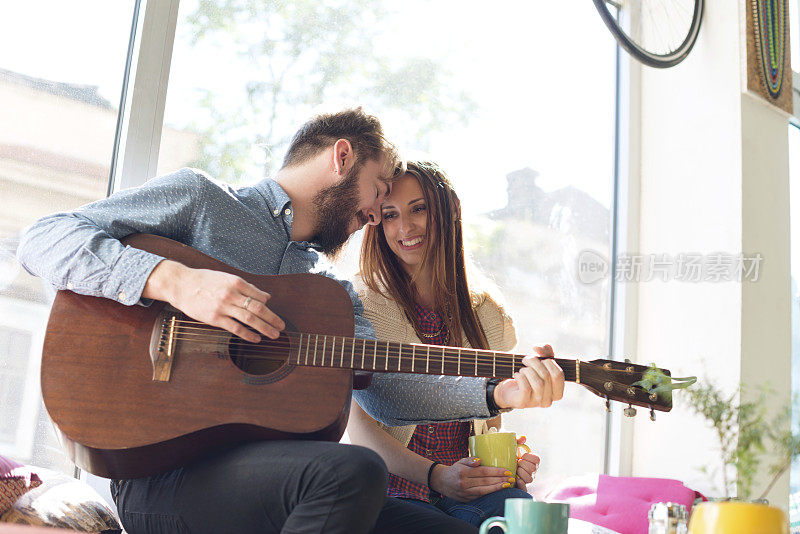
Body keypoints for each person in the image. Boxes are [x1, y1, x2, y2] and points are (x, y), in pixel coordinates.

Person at [17, 108, 564, 534]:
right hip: (162, 481)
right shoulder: (202, 202)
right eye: (378, 191)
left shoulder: (329, 294)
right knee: (353, 471)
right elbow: (44, 239)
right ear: (342, 157)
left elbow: (389, 393)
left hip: (276, 483)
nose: (376, 215)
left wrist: (498, 392)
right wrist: (175, 281)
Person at [348, 161, 558, 530]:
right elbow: (359, 429)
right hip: (392, 493)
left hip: (468, 494)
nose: (405, 227)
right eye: (390, 214)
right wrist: (437, 476)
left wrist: (506, 469)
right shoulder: (360, 304)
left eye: (419, 208)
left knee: (527, 519)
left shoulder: (488, 314)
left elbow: (489, 424)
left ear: (451, 210)